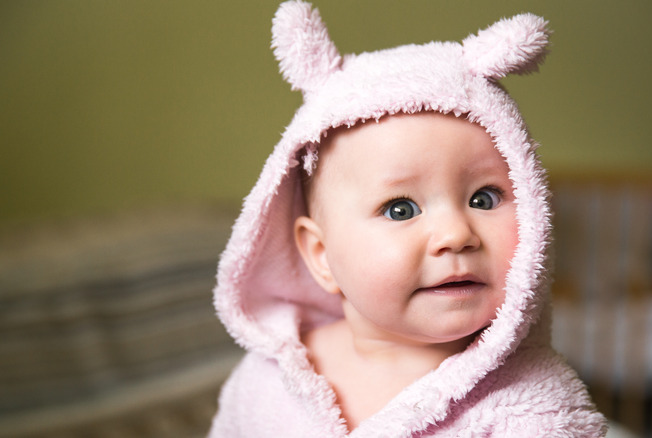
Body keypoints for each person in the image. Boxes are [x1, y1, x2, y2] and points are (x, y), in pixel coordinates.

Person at [209, 1, 607, 436]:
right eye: (401, 209)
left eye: (484, 198)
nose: (456, 235)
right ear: (322, 256)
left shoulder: (534, 409)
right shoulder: (267, 379)